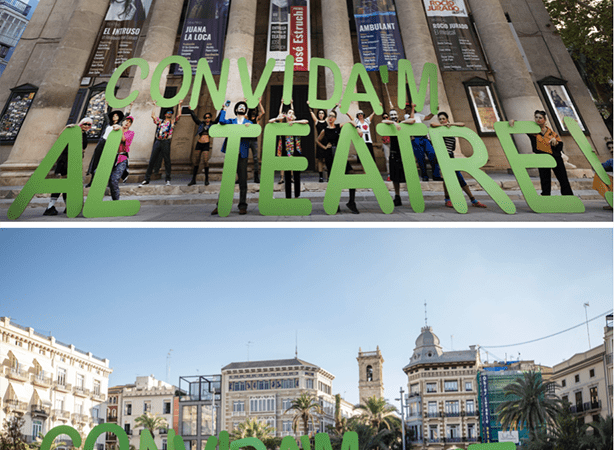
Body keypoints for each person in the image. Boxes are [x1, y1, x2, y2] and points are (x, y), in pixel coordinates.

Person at [509, 110, 573, 196]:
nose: (538, 119)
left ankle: (568, 197)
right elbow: (521, 126)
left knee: (563, 178)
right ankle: (545, 197)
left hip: (555, 157)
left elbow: (560, 145)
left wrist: (556, 142)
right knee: (545, 178)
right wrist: (514, 121)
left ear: (544, 119)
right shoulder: (532, 132)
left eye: (540, 117)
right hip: (542, 157)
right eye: (536, 117)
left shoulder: (550, 132)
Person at [430, 112, 486, 208]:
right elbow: (432, 124)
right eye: (440, 119)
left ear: (447, 119)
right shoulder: (439, 128)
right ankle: (467, 199)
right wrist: (442, 125)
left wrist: (450, 124)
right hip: (443, 156)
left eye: (443, 118)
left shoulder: (451, 129)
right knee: (450, 178)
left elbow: (462, 124)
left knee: (457, 178)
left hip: (451, 156)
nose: (442, 120)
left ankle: (471, 200)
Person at [43, 118, 93, 216]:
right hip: (65, 161)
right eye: (85, 123)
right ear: (81, 123)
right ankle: (50, 207)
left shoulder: (84, 134)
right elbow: (60, 138)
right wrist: (66, 128)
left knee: (68, 185)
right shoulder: (74, 131)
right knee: (62, 184)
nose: (86, 126)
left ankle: (68, 206)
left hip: (75, 162)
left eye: (89, 124)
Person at [211, 100, 252, 215]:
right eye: (240, 106)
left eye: (244, 107)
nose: (242, 108)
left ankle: (242, 206)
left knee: (243, 181)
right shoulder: (231, 121)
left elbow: (254, 132)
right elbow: (221, 121)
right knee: (227, 180)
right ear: (237, 109)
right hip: (231, 153)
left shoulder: (248, 122)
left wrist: (249, 126)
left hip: (242, 154)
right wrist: (224, 109)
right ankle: (220, 205)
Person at [316, 108, 359, 214]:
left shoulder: (339, 126)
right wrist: (325, 147)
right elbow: (317, 140)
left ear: (335, 118)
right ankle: (335, 204)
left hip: (340, 154)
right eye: (329, 116)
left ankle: (351, 202)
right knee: (333, 179)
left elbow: (351, 121)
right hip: (330, 154)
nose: (330, 117)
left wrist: (358, 128)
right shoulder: (324, 130)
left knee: (351, 173)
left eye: (332, 116)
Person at [85, 101, 132, 187]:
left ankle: (106, 182)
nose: (115, 116)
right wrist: (106, 105)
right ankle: (92, 182)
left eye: (117, 116)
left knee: (108, 164)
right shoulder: (108, 124)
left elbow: (127, 115)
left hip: (111, 145)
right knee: (96, 162)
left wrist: (130, 106)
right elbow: (105, 114)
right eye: (114, 115)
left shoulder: (119, 125)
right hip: (102, 142)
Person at [269, 100, 309, 199]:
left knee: (296, 174)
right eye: (289, 113)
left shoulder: (296, 124)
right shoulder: (282, 125)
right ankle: (288, 196)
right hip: (286, 151)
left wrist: (294, 121)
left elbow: (306, 121)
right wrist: (278, 118)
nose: (291, 114)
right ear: (286, 115)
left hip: (296, 150)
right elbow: (270, 122)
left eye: (293, 113)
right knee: (287, 174)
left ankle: (297, 195)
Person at [140, 99, 182, 187]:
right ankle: (146, 179)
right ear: (165, 114)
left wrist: (179, 104)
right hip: (158, 141)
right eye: (168, 112)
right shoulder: (160, 122)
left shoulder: (172, 122)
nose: (170, 113)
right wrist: (154, 105)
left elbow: (179, 115)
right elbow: (153, 116)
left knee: (167, 160)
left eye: (171, 112)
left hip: (166, 142)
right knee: (152, 160)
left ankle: (168, 180)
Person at [381, 109, 415, 207]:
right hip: (394, 152)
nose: (394, 116)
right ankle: (397, 196)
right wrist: (394, 123)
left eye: (395, 114)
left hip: (404, 152)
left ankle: (413, 196)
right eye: (391, 114)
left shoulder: (402, 123)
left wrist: (401, 122)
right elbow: (383, 121)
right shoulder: (390, 124)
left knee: (408, 175)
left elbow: (412, 120)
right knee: (395, 177)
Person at [409, 102, 442, 181]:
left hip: (424, 137)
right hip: (415, 138)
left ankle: (436, 175)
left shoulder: (418, 115)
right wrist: (412, 108)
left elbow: (428, 117)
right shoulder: (406, 116)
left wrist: (434, 111)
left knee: (432, 154)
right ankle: (424, 176)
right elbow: (411, 119)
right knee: (420, 158)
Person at [109, 116, 134, 201]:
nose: (127, 123)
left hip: (122, 158)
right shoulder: (114, 130)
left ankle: (116, 201)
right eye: (126, 121)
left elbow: (123, 139)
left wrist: (120, 129)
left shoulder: (130, 133)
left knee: (114, 180)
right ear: (122, 121)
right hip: (110, 157)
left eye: (129, 122)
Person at [186, 108, 213, 186]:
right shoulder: (201, 124)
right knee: (196, 161)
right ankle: (193, 179)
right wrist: (191, 111)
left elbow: (218, 120)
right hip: (199, 143)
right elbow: (195, 119)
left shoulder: (212, 124)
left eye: (208, 117)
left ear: (210, 118)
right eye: (205, 117)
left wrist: (222, 109)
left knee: (205, 160)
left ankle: (206, 179)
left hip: (206, 144)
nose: (207, 119)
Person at [307, 101, 329, 182]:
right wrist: (309, 105)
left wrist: (335, 107)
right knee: (320, 159)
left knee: (327, 159)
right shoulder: (316, 121)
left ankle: (328, 176)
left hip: (326, 141)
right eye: (319, 113)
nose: (321, 114)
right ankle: (321, 177)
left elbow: (332, 114)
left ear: (324, 114)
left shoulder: (327, 120)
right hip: (319, 141)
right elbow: (311, 112)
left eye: (322, 113)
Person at [246, 97, 265, 183]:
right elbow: (242, 114)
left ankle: (256, 177)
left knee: (255, 159)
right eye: (252, 111)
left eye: (254, 111)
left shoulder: (257, 119)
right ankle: (242, 176)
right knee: (243, 158)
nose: (253, 113)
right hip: (246, 140)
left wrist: (260, 103)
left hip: (254, 140)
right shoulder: (247, 119)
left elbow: (263, 112)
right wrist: (244, 103)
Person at [380, 112, 391, 181]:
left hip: (393, 142)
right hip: (386, 143)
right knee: (387, 159)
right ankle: (389, 175)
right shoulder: (382, 125)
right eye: (384, 117)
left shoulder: (392, 123)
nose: (385, 118)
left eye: (386, 117)